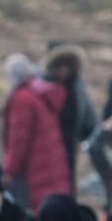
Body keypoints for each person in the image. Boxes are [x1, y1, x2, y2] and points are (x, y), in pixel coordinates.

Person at [1, 53, 73, 210]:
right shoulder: (40, 93)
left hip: (34, 171)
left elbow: (18, 140)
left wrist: (8, 170)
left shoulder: (22, 98)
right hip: (52, 167)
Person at [42, 44, 97, 181]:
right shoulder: (41, 86)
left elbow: (87, 114)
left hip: (69, 145)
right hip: (46, 145)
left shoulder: (76, 85)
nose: (63, 70)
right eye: (59, 65)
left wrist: (87, 136)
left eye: (66, 65)